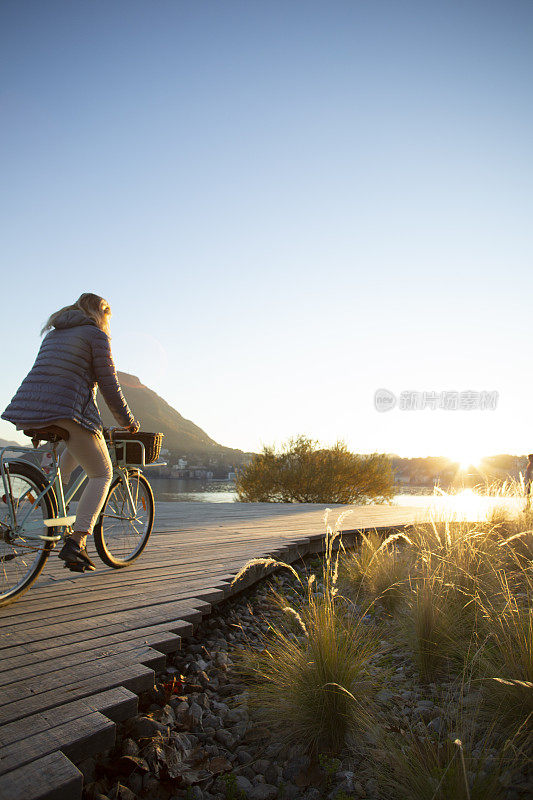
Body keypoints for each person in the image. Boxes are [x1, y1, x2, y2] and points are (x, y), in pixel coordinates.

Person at [1, 293, 139, 572]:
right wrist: (128, 422)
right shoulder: (96, 334)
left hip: (32, 408)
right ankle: (76, 542)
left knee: (72, 450)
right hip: (67, 410)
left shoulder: (52, 335)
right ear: (102, 313)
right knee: (102, 473)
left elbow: (48, 375)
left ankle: (40, 502)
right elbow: (109, 383)